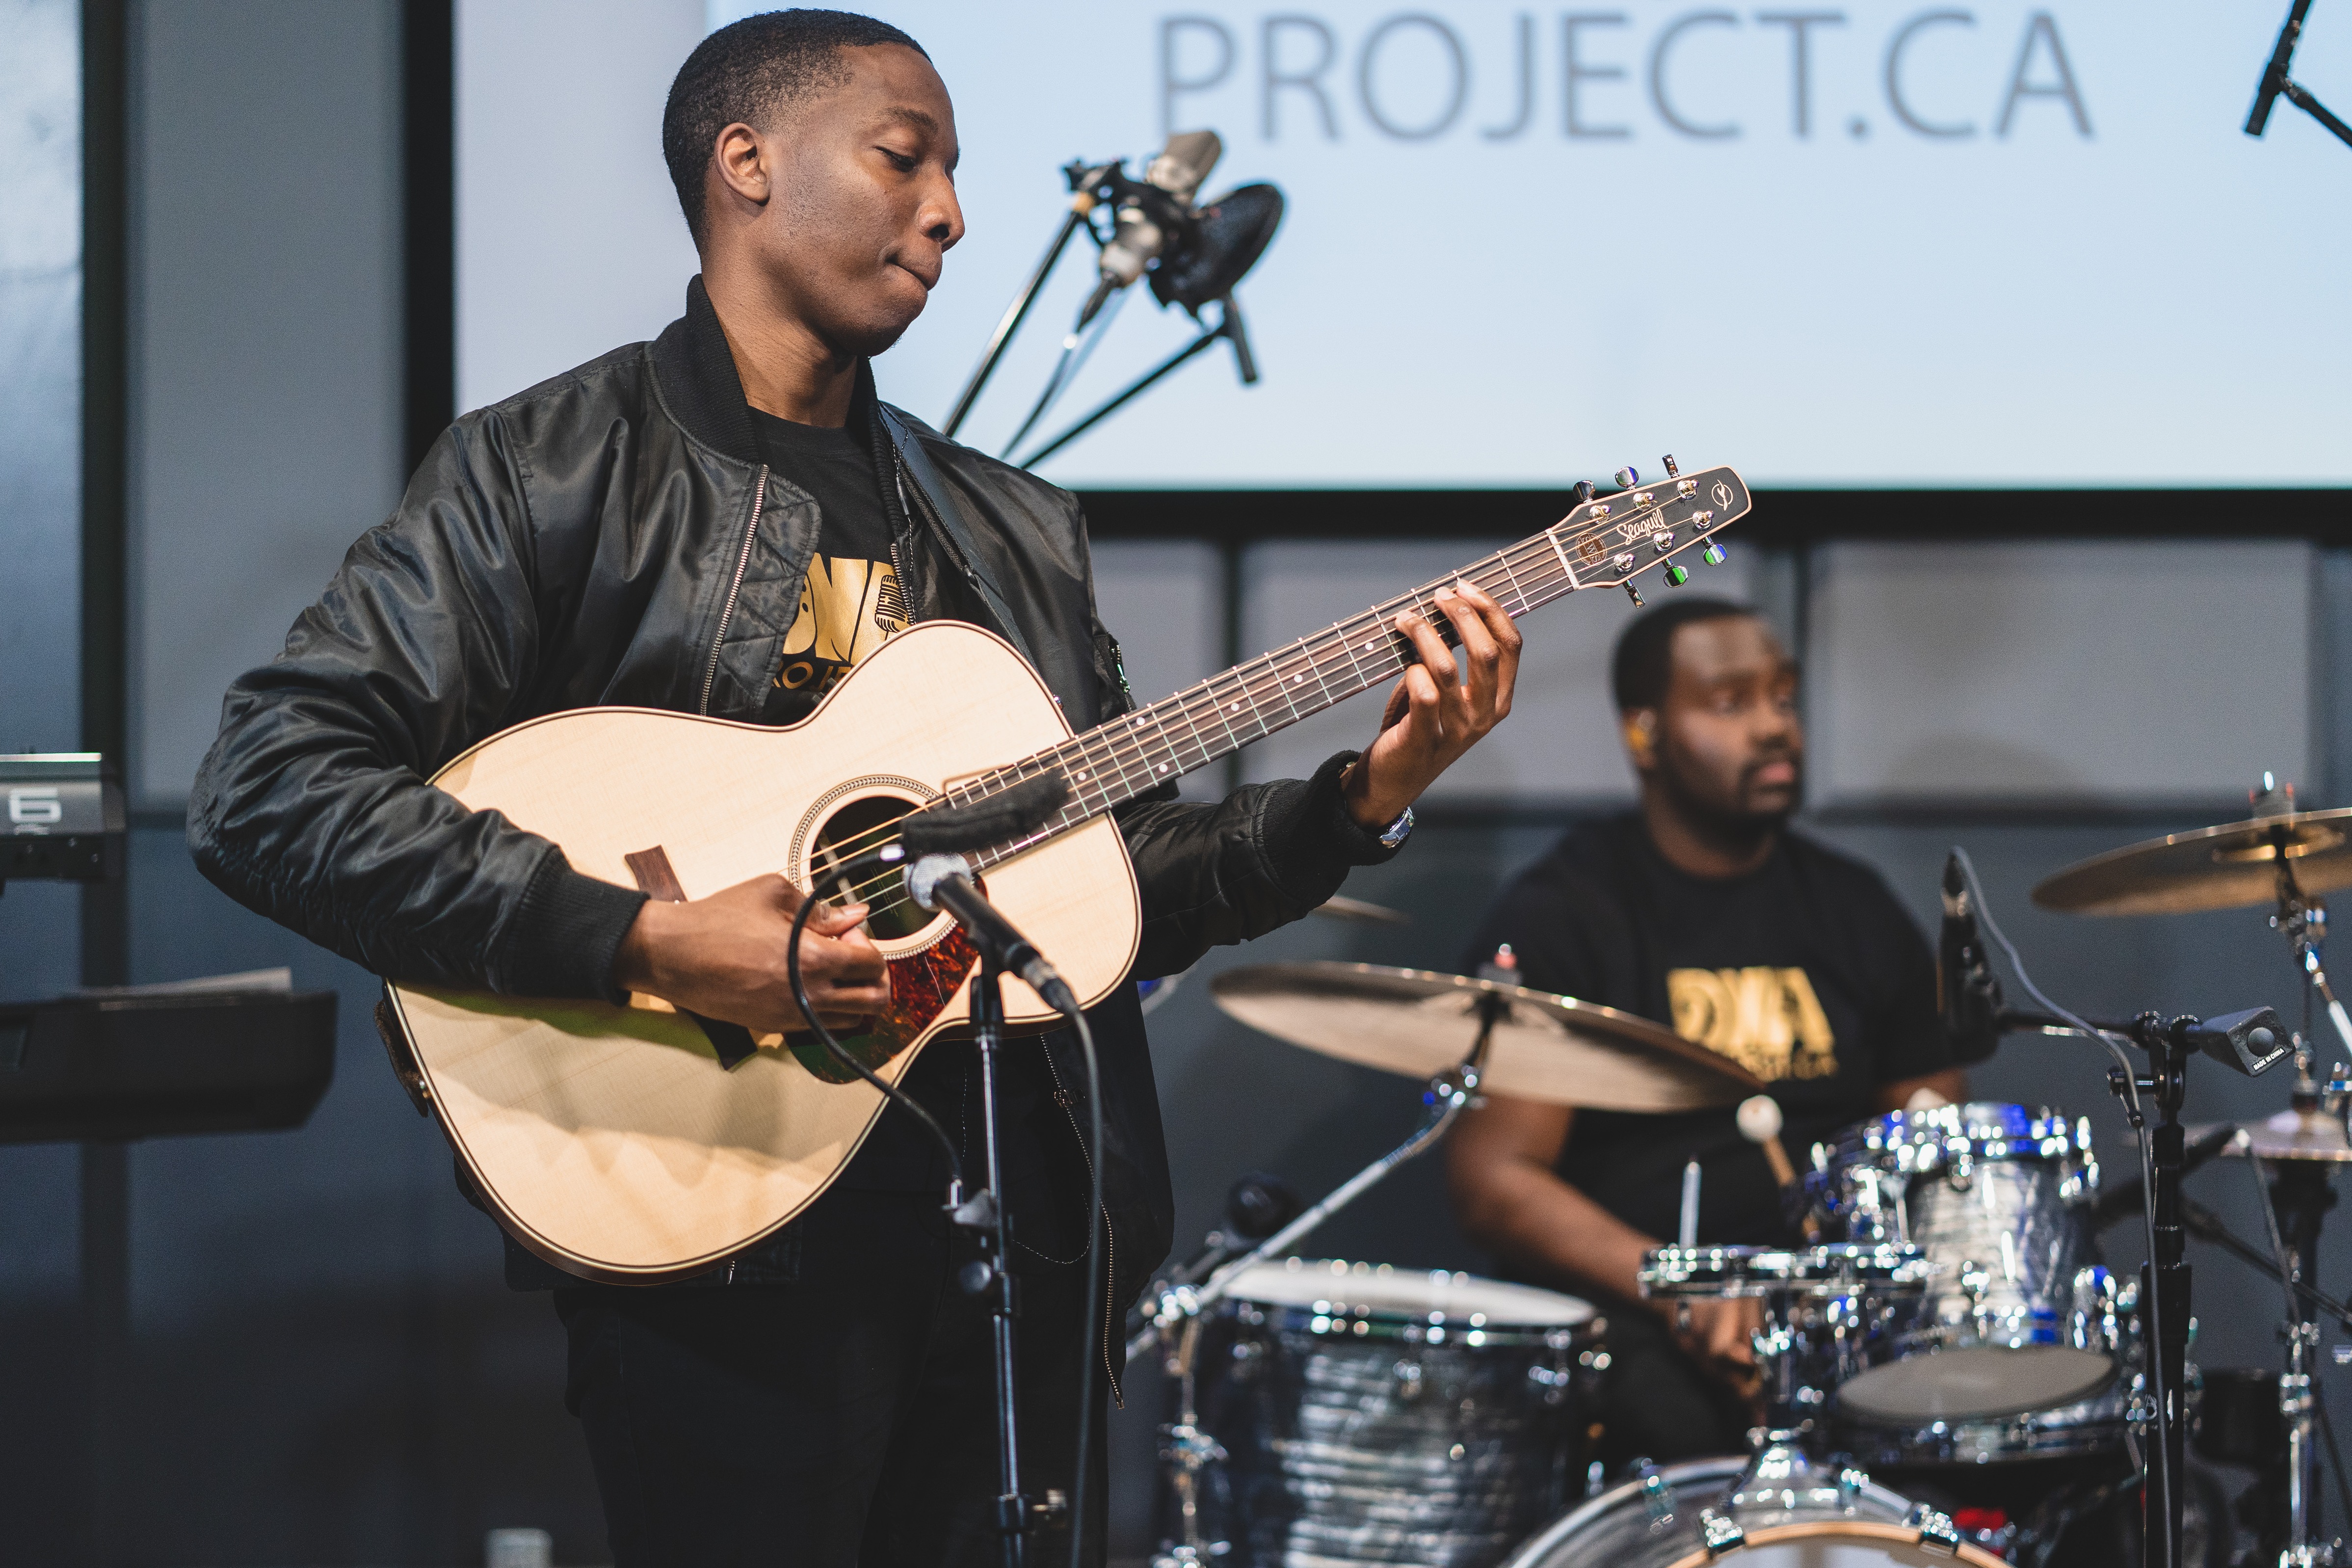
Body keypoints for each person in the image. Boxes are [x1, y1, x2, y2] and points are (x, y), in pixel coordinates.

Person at [185, 11, 1522, 1565]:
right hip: (716, 1227)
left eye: (954, 172)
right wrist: (645, 938)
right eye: (907, 157)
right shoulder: (546, 471)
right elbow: (268, 787)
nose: (950, 211)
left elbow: (1118, 879)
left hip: (1019, 1239)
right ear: (745, 164)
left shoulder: (1006, 526)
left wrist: (1365, 791)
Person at [1445, 596, 1961, 1473]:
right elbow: (1495, 1180)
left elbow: (1930, 1143)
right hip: (1642, 1319)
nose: (1773, 728)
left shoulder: (1855, 909)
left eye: (1783, 699)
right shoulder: (1569, 911)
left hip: (1828, 1316)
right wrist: (1684, 1291)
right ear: (1644, 734)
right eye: (1729, 703)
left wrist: (1841, 1299)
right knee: (1670, 1426)